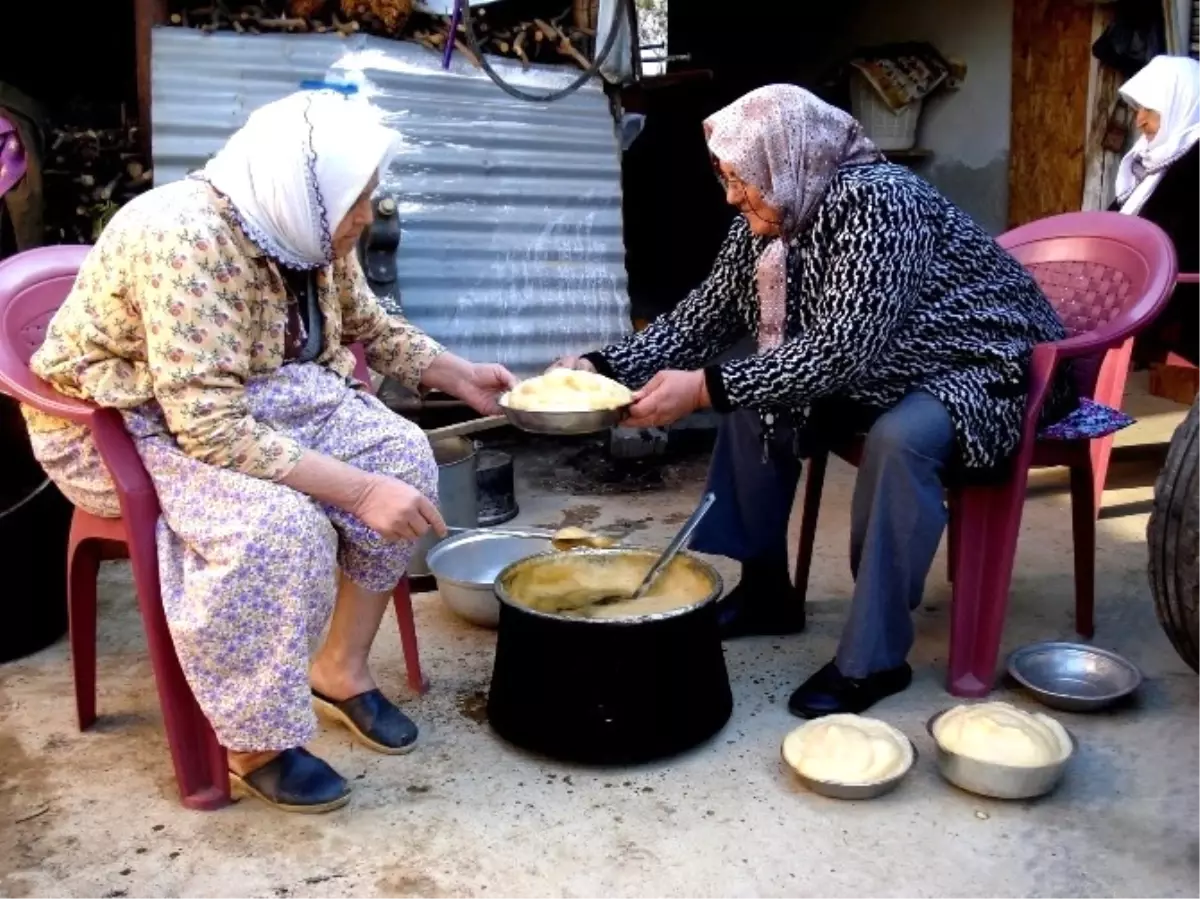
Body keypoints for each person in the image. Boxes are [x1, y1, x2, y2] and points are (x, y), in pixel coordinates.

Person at [22, 90, 517, 812]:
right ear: (307, 194)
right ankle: (254, 736)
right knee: (279, 528)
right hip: (127, 414)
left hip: (252, 386)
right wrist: (353, 492)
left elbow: (368, 325)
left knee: (400, 454)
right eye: (357, 202)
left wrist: (457, 373)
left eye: (369, 197)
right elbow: (209, 424)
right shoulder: (185, 239)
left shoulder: (309, 224)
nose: (365, 217)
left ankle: (339, 668)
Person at [555, 84, 1072, 719]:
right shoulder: (775, 214)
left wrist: (705, 388)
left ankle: (874, 658)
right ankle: (768, 590)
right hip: (888, 367)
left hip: (986, 365)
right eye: (727, 176)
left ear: (787, 156)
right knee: (752, 401)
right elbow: (704, 316)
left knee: (899, 438)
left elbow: (841, 350)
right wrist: (602, 368)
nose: (730, 195)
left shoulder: (883, 204)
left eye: (741, 178)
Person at [1112, 54, 1200, 366]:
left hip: (1180, 323)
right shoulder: (1151, 163)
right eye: (1137, 111)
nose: (1140, 121)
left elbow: (1179, 241)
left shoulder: (1194, 165)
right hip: (1144, 305)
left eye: (1150, 110)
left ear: (1181, 104)